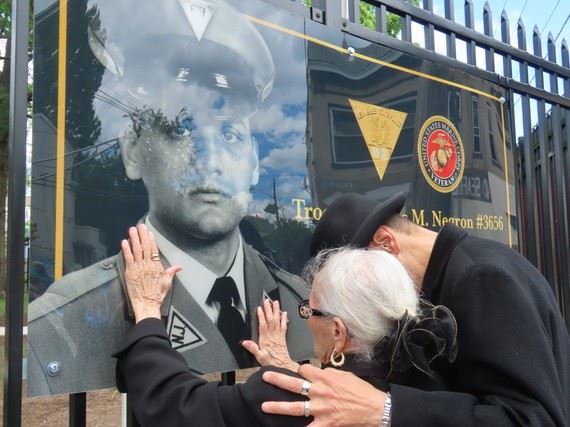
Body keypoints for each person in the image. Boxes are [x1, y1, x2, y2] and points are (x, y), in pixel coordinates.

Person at [26, 0, 312, 396]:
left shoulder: (299, 301)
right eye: (182, 130)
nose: (210, 162)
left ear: (253, 164)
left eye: (230, 134)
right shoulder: (60, 326)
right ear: (132, 151)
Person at [261, 191, 570, 426]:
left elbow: (532, 418)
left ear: (385, 242)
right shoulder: (454, 273)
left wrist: (387, 410)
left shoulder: (480, 278)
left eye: (355, 276)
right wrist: (296, 376)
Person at [116, 224, 458, 426]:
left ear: (338, 332)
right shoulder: (425, 387)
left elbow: (173, 406)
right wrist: (290, 368)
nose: (305, 317)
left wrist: (146, 310)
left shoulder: (291, 401)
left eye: (310, 309)